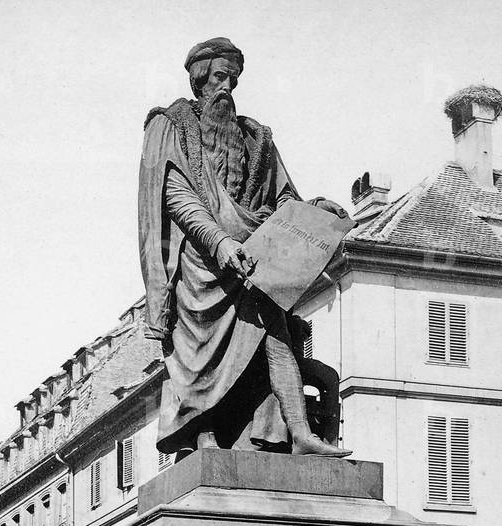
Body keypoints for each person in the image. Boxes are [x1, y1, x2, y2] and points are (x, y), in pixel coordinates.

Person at [139, 37, 351, 458]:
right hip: (203, 263)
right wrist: (219, 243)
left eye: (233, 79)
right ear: (200, 79)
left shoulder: (255, 136)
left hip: (256, 255)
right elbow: (177, 196)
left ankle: (301, 432)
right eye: (220, 77)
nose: (227, 88)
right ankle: (204, 434)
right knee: (203, 354)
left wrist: (312, 213)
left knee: (278, 336)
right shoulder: (170, 125)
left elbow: (282, 199)